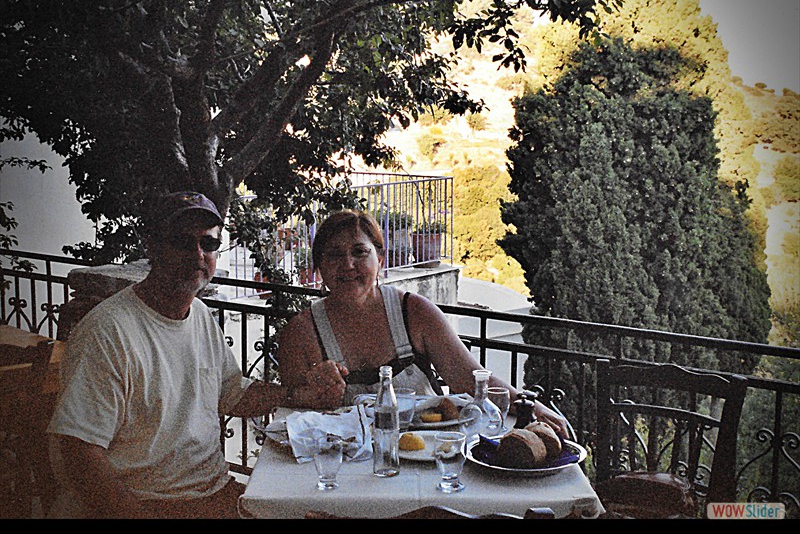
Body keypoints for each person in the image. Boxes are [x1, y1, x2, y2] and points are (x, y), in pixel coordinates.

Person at [47, 191, 345, 519]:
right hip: (148, 503)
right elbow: (78, 453)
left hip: (211, 493)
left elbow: (234, 395)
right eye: (181, 242)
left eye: (209, 243)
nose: (197, 255)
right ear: (153, 247)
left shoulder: (199, 314)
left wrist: (300, 394)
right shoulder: (108, 332)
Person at [277, 209, 570, 437]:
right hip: (342, 470)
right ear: (318, 268)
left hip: (427, 457)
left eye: (359, 252)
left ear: (380, 258)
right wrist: (312, 391)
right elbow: (291, 413)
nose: (348, 265)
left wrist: (528, 404)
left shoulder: (414, 312)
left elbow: (469, 378)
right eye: (334, 256)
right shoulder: (300, 334)